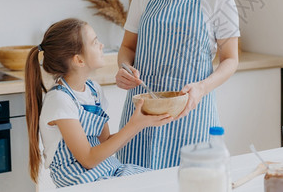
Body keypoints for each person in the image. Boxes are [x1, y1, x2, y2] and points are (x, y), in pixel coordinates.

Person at [115, 0, 240, 169]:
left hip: (191, 112)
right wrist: (125, 69)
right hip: (143, 113)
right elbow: (128, 47)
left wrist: (202, 88)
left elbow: (230, 59)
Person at [24, 18, 173, 188]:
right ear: (79, 60)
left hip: (106, 170)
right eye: (95, 43)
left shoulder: (93, 90)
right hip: (81, 181)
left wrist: (144, 121)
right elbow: (88, 159)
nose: (101, 46)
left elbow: (105, 142)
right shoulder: (60, 100)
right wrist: (134, 125)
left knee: (162, 182)